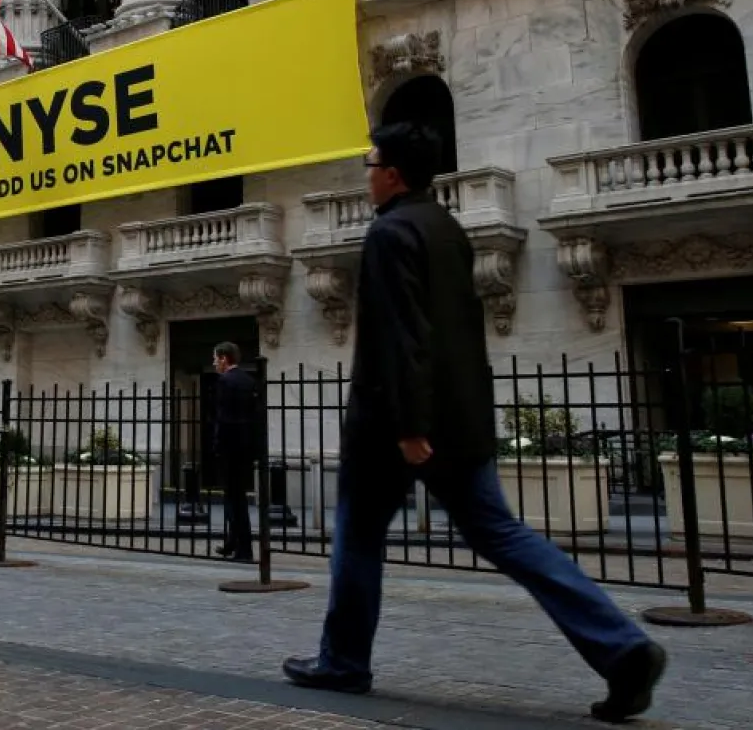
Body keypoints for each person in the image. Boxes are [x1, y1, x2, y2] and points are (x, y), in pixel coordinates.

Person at [282, 123, 667, 724]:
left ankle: (344, 662)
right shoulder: (447, 228)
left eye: (370, 164)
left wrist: (409, 425)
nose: (366, 175)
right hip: (461, 418)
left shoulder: (389, 232)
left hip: (394, 429)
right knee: (505, 535)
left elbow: (401, 335)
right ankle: (622, 647)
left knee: (357, 537)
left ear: (392, 175)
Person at [211, 342, 257, 563]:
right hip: (246, 446)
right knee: (238, 497)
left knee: (233, 499)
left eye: (215, 358)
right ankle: (232, 542)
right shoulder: (249, 380)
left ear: (224, 358)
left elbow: (223, 417)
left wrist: (217, 444)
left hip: (230, 447)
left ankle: (243, 549)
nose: (214, 363)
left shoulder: (225, 381)